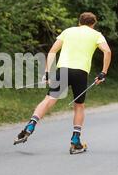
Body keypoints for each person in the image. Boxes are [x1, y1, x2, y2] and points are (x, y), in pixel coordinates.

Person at [14, 12, 112, 154]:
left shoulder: (68, 31)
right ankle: (75, 140)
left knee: (49, 99)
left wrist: (47, 72)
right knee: (79, 106)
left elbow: (52, 51)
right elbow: (107, 52)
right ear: (93, 24)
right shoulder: (96, 35)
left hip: (64, 70)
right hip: (81, 72)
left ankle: (31, 125)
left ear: (79, 22)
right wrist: (103, 73)